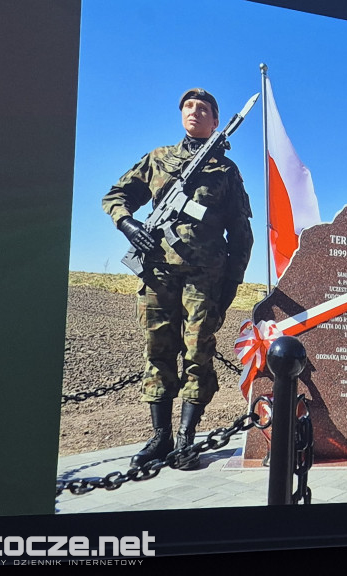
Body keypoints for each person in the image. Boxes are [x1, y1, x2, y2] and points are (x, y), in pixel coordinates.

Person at [103, 88, 254, 470]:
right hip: (156, 271)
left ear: (216, 122)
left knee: (198, 353)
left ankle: (187, 437)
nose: (194, 112)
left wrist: (231, 285)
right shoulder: (159, 160)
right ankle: (160, 437)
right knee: (157, 350)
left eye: (203, 108)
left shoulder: (226, 171)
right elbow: (116, 195)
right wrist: (128, 224)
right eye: (188, 106)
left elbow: (241, 235)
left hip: (204, 279)